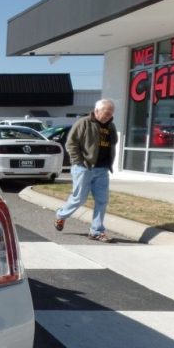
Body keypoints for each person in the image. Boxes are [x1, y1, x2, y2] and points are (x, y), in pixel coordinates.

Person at [54, 99, 117, 242]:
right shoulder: (83, 123)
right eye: (106, 113)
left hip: (102, 169)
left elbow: (112, 144)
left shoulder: (111, 126)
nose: (109, 116)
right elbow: (71, 143)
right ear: (97, 111)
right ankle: (61, 215)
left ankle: (96, 231)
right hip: (84, 168)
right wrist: (79, 161)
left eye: (111, 114)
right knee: (79, 199)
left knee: (102, 201)